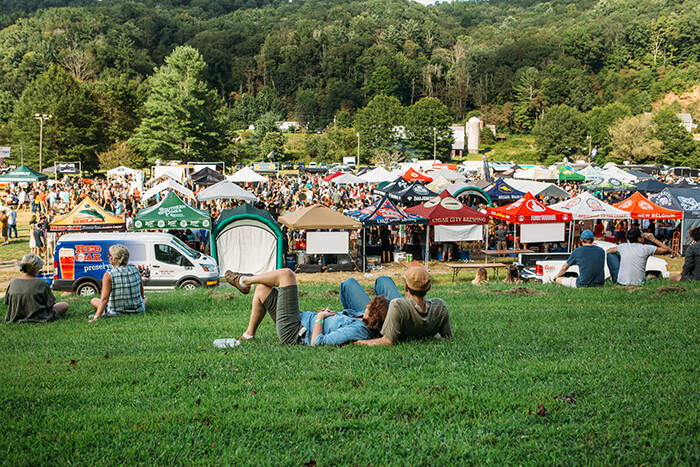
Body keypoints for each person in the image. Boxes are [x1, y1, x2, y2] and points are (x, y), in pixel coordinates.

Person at [222, 268, 389, 346]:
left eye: (370, 306)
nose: (367, 304)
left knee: (287, 275)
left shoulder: (358, 330)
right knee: (263, 290)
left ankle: (244, 280)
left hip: (294, 332)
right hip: (299, 318)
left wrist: (320, 318)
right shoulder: (360, 318)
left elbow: (317, 342)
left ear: (373, 316)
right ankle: (248, 335)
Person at [356, 267, 453, 346]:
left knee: (348, 284)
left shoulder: (397, 305)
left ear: (406, 287)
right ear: (429, 287)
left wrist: (358, 343)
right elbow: (447, 336)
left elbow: (388, 341)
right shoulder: (440, 306)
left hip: (379, 317)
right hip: (400, 312)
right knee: (383, 280)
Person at [89, 244, 147, 322]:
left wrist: (96, 317)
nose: (108, 256)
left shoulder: (109, 275)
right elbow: (142, 294)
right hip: (138, 310)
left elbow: (104, 299)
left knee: (94, 300)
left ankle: (103, 311)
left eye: (110, 254)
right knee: (145, 298)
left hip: (115, 312)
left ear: (113, 258)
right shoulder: (136, 270)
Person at [4, 254, 69, 323]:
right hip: (40, 317)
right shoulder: (42, 283)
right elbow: (51, 303)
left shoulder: (13, 282)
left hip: (15, 316)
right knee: (64, 305)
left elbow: (7, 302)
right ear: (37, 268)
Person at [606, 227, 670, 286]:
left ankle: (615, 280)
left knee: (611, 255)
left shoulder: (623, 247)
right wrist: (653, 239)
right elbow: (666, 249)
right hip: (638, 283)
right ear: (639, 239)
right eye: (643, 236)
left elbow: (608, 251)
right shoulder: (646, 248)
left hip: (622, 282)